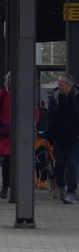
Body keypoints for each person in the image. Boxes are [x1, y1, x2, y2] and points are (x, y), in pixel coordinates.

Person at [46, 74, 79, 204]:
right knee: (59, 165)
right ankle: (62, 187)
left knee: (72, 164)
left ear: (69, 85)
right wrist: (46, 135)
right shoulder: (55, 98)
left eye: (61, 84)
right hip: (59, 137)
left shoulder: (77, 97)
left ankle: (71, 192)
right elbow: (50, 117)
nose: (58, 86)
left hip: (75, 138)